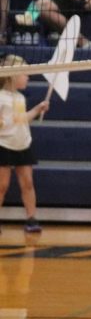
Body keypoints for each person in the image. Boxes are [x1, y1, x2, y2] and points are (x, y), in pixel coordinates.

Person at [0, 55, 49, 235]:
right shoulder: (0, 98)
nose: (28, 76)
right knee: (2, 185)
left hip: (22, 144)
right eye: (24, 73)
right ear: (12, 75)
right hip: (3, 144)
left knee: (28, 183)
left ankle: (31, 218)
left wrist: (37, 110)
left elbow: (22, 120)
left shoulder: (20, 98)